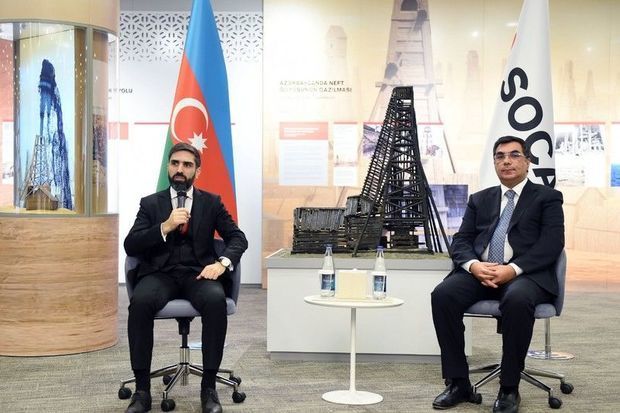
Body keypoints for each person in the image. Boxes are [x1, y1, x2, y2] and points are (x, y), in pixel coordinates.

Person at [430, 136, 564, 413]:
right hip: (482, 272)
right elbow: (461, 240)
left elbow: (552, 244)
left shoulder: (547, 197)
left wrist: (512, 269)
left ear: (527, 162)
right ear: (494, 163)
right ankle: (458, 383)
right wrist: (473, 266)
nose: (506, 161)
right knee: (443, 295)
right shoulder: (480, 199)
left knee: (517, 300)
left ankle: (509, 388)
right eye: (500, 156)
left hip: (525, 275)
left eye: (514, 155)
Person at [123, 142, 248, 413]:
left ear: (197, 171)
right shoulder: (150, 203)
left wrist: (222, 264)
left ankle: (209, 388)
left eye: (187, 165)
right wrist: (164, 226)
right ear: (168, 167)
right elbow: (130, 245)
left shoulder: (211, 202)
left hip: (198, 274)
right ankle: (142, 391)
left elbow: (238, 238)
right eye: (175, 163)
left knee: (215, 301)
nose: (180, 169)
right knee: (140, 303)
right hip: (160, 274)